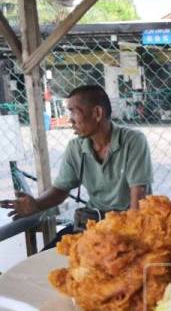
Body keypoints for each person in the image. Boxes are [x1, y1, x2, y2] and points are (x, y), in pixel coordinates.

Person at [0, 85, 153, 248]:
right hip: (93, 223)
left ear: (97, 113)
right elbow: (61, 190)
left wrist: (132, 240)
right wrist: (36, 204)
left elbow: (138, 196)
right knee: (51, 255)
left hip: (127, 225)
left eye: (73, 111)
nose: (70, 119)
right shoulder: (75, 148)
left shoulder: (133, 141)